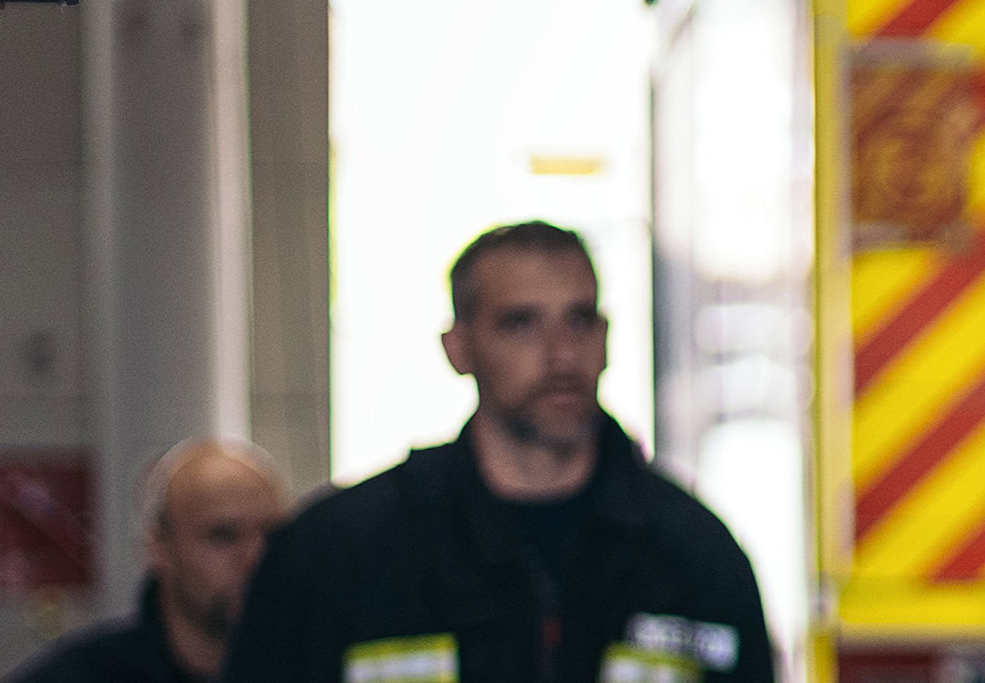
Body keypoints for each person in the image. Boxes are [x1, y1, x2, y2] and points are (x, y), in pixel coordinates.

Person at [224, 221, 772, 682]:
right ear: (457, 347)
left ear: (605, 337)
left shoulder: (694, 557)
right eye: (520, 324)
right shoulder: (337, 556)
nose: (561, 354)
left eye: (580, 320)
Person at [11, 439, 286, 683]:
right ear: (159, 548)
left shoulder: (312, 666)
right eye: (223, 536)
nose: (254, 557)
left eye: (271, 535)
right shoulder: (84, 674)